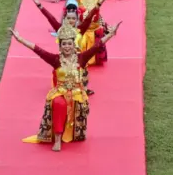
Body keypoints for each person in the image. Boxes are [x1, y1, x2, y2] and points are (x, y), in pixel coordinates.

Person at [12, 21, 121, 151]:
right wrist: (20, 39)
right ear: (60, 46)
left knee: (76, 102)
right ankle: (57, 139)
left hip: (77, 93)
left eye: (69, 43)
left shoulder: (82, 58)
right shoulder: (56, 60)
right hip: (61, 92)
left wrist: (111, 34)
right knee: (59, 103)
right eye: (64, 44)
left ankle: (72, 133)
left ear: (73, 44)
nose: (67, 47)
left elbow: (97, 46)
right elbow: (38, 50)